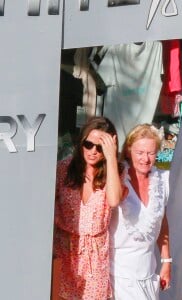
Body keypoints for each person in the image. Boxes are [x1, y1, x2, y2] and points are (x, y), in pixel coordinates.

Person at [53, 116, 126, 300]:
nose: (93, 151)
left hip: (95, 256)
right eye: (88, 144)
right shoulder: (64, 169)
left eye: (100, 147)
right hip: (64, 249)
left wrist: (111, 158)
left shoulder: (114, 171)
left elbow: (114, 200)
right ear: (81, 142)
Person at [109, 124, 172, 300]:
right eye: (140, 152)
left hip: (147, 273)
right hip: (118, 274)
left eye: (151, 153)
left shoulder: (162, 180)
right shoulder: (116, 179)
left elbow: (162, 222)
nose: (145, 159)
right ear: (129, 151)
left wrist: (166, 261)